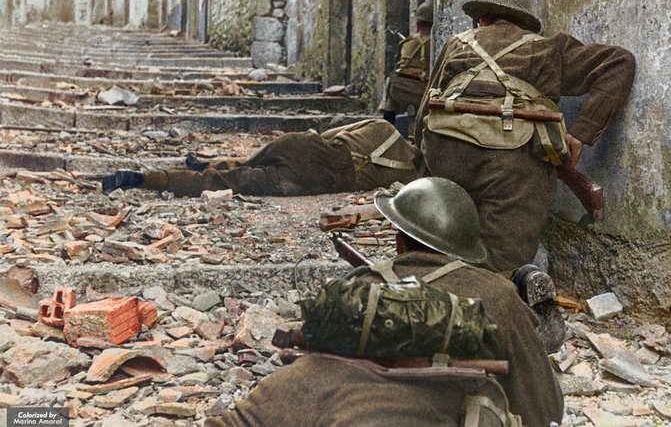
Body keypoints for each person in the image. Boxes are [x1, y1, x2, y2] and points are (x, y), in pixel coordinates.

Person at [204, 178, 564, 427]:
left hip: (283, 399)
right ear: (465, 250)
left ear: (399, 242)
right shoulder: (496, 295)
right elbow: (544, 410)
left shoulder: (357, 290)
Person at [415, 0, 635, 275]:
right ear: (524, 23)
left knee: (439, 239)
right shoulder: (545, 48)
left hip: (444, 149)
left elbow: (425, 108)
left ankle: (434, 286)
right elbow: (619, 62)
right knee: (501, 258)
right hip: (510, 162)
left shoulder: (457, 44)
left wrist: (421, 161)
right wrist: (580, 133)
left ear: (482, 19)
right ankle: (493, 295)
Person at [101, 119, 424, 197]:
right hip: (315, 181)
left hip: (305, 147)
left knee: (246, 164)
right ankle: (140, 179)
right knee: (230, 183)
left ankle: (207, 163)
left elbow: (326, 134)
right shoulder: (408, 182)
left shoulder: (383, 128)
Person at [379, 1, 433, 126]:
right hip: (424, 86)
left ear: (418, 24)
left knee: (390, 82)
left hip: (401, 87)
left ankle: (387, 122)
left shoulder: (407, 42)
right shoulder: (436, 42)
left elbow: (398, 64)